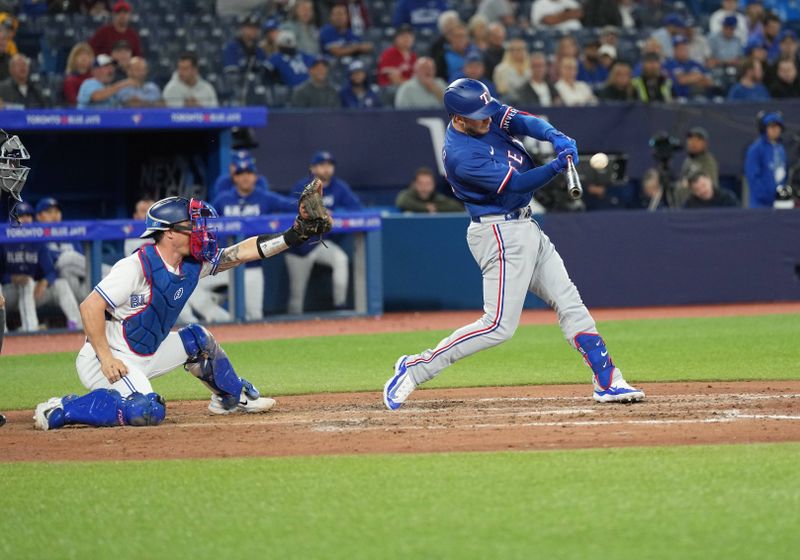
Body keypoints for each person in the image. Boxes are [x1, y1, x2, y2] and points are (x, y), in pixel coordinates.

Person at [382, 78, 645, 411]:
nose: (488, 118)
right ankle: (416, 367)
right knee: (498, 327)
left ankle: (607, 380)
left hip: (525, 226)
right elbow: (517, 183)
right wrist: (556, 165)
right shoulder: (462, 156)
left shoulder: (484, 116)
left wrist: (554, 136)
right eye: (479, 115)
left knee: (570, 303)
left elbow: (521, 120)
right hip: (499, 234)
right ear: (459, 119)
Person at [32, 187, 333, 431]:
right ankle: (61, 410)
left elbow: (239, 253)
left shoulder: (191, 264)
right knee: (146, 411)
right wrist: (106, 357)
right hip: (110, 358)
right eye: (193, 225)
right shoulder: (136, 265)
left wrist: (294, 235)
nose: (201, 231)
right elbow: (90, 307)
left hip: (146, 353)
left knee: (198, 340)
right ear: (170, 233)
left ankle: (230, 399)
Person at [211, 158, 297, 321]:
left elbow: (289, 205)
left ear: (255, 177)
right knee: (199, 296)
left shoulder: (265, 197)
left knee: (255, 316)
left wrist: (310, 206)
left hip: (252, 266)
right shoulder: (222, 199)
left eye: (249, 173)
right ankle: (222, 320)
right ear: (234, 177)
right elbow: (207, 223)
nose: (245, 177)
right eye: (240, 173)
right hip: (223, 265)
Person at [285, 151, 361, 314]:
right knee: (296, 296)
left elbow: (357, 209)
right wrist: (316, 213)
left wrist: (335, 213)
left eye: (329, 165)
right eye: (321, 165)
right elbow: (289, 212)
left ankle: (339, 306)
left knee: (341, 259)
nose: (326, 169)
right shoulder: (302, 187)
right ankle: (292, 329)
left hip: (320, 243)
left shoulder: (338, 187)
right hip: (300, 246)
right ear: (312, 168)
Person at [1, 202, 83, 332]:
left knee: (60, 285)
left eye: (29, 215)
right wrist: (11, 278)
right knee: (24, 283)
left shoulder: (38, 243)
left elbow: (50, 271)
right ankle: (7, 330)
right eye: (21, 216)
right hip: (6, 293)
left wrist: (45, 281)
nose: (26, 219)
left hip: (31, 294)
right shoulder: (3, 241)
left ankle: (78, 326)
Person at [744, 111, 788, 208]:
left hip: (779, 203)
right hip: (760, 204)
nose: (775, 130)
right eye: (772, 127)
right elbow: (753, 177)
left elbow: (784, 176)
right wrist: (766, 196)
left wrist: (782, 198)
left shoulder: (781, 149)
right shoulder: (755, 149)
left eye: (777, 126)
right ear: (765, 129)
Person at [395, 166, 464, 213]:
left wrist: (436, 208)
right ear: (414, 184)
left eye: (428, 184)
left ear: (433, 185)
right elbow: (401, 201)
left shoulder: (437, 198)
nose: (424, 187)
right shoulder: (407, 196)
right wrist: (426, 208)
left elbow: (457, 207)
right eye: (421, 183)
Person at [678, 127, 720, 199]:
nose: (692, 143)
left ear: (704, 144)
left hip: (701, 204)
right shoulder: (687, 161)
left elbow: (710, 187)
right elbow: (682, 182)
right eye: (690, 140)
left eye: (697, 140)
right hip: (685, 204)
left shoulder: (708, 161)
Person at [63, 42, 94, 106]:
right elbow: (73, 100)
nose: (84, 57)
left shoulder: (96, 78)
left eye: (87, 54)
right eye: (80, 55)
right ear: (73, 59)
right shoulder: (70, 80)